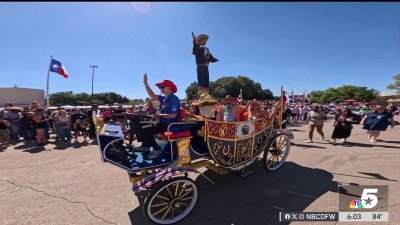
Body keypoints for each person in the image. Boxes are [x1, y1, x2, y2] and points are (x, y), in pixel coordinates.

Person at [136, 73, 181, 159]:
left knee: (145, 130)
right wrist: (146, 84)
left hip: (169, 125)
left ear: (169, 88)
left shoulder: (174, 99)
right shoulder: (164, 98)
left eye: (162, 87)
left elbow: (172, 115)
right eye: (160, 87)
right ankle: (145, 146)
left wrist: (159, 115)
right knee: (139, 127)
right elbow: (152, 95)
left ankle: (158, 148)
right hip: (161, 122)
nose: (160, 89)